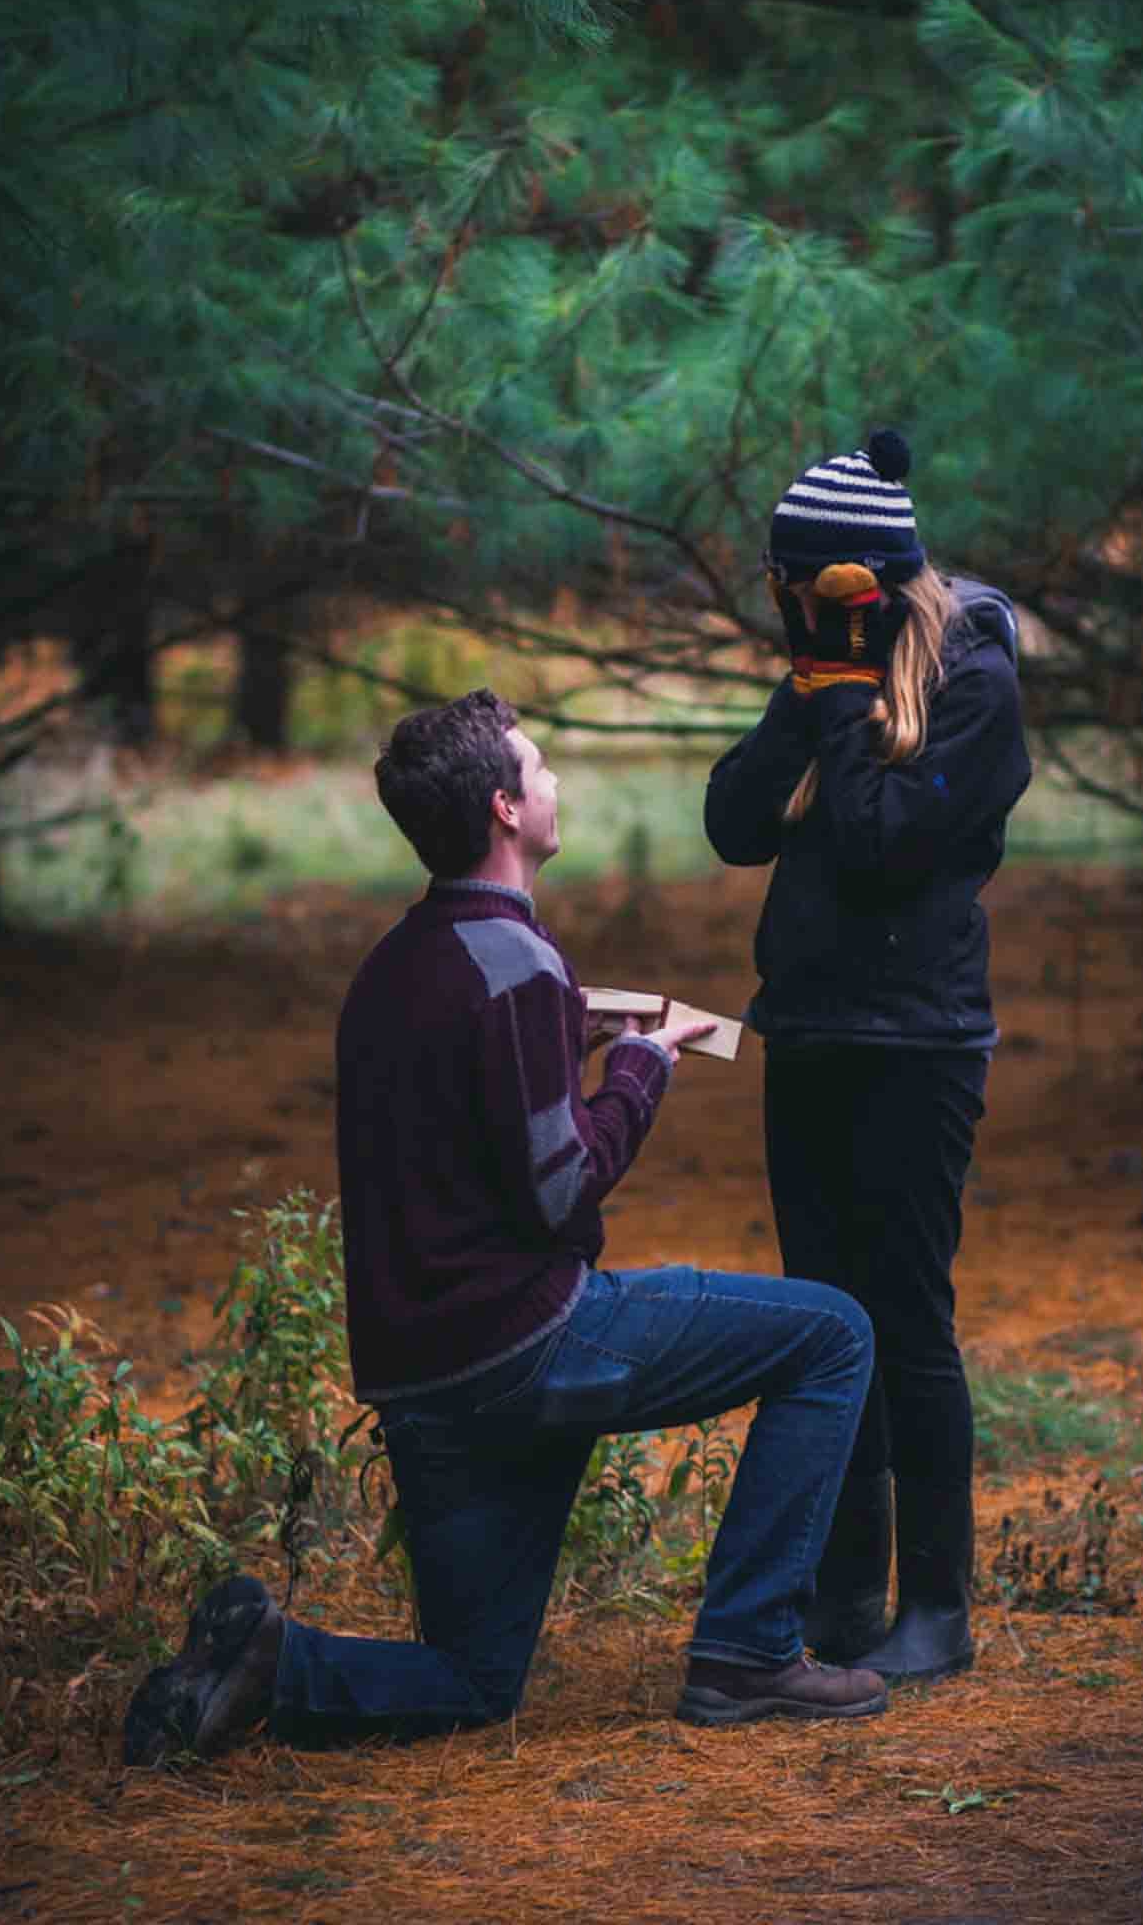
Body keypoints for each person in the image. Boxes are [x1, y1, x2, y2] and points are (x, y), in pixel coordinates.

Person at [124, 688, 891, 1764]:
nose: (556, 781)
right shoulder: (518, 967)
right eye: (540, 768)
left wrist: (570, 1029)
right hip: (526, 1349)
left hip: (423, 1381)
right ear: (504, 808)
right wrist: (638, 1067)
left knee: (475, 1679)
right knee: (834, 1332)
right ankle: (748, 1652)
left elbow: (469, 1104)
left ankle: (267, 1660)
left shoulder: (397, 966)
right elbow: (561, 1189)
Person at [704, 430, 1031, 1683]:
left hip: (917, 1045)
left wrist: (839, 701)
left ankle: (934, 1606)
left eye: (797, 582)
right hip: (814, 1031)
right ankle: (843, 1589)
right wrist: (810, 695)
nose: (781, 602)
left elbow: (887, 839)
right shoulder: (827, 670)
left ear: (859, 580)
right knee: (826, 1315)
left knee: (905, 1316)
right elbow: (736, 822)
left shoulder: (973, 679)